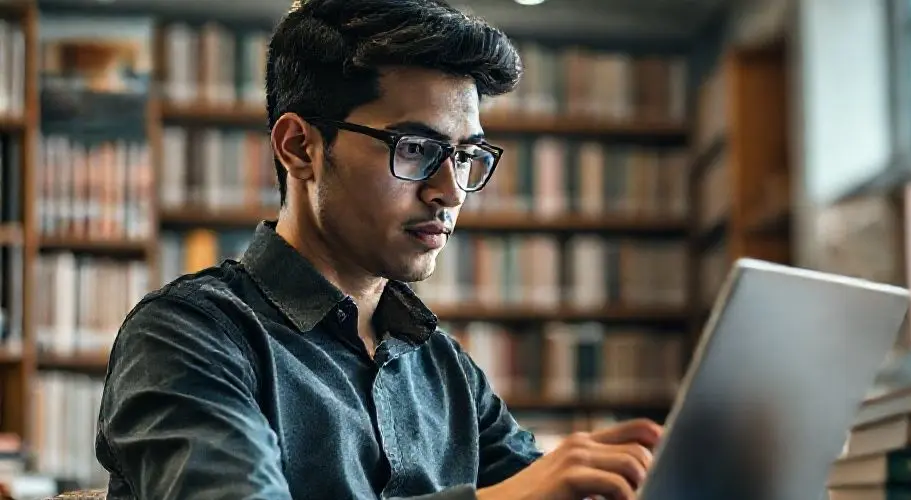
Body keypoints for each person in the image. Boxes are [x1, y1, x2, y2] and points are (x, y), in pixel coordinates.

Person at [95, 0, 663, 499]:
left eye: (466, 156)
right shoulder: (185, 335)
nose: (449, 191)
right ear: (300, 148)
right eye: (416, 148)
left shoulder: (443, 365)